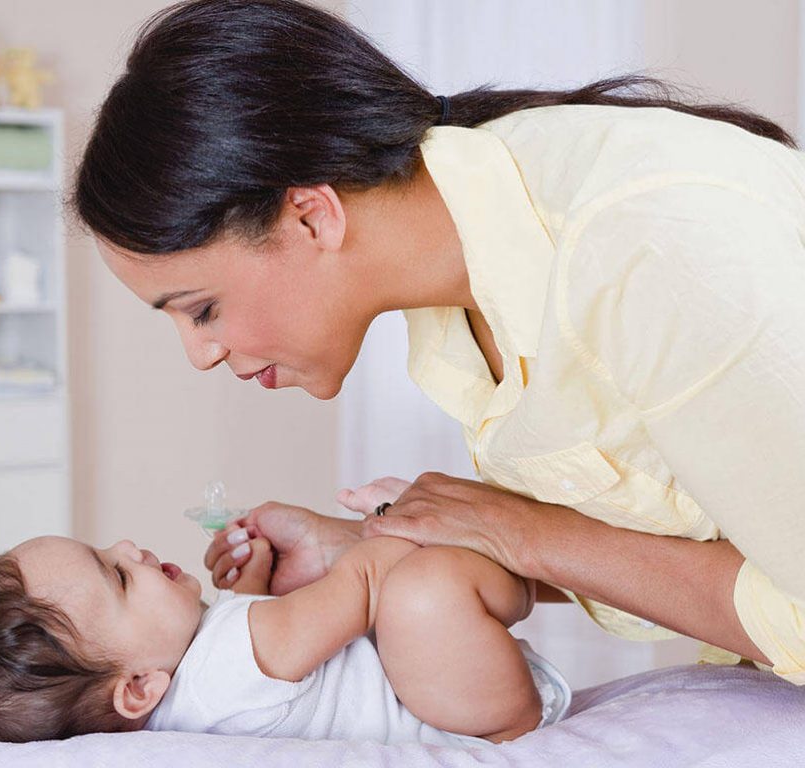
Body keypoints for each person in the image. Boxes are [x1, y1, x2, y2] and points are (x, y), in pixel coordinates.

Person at [71, 0, 805, 684]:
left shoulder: (650, 247)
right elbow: (707, 539)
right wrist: (375, 549)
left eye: (201, 310)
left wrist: (523, 533)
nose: (201, 354)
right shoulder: (457, 298)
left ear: (310, 217)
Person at [0, 532, 570, 743]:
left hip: (456, 692)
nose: (132, 547)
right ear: (137, 687)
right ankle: (538, 573)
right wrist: (389, 521)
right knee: (421, 582)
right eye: (120, 576)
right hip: (476, 714)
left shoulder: (186, 703)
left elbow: (263, 673)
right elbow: (364, 578)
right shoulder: (241, 650)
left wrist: (250, 590)